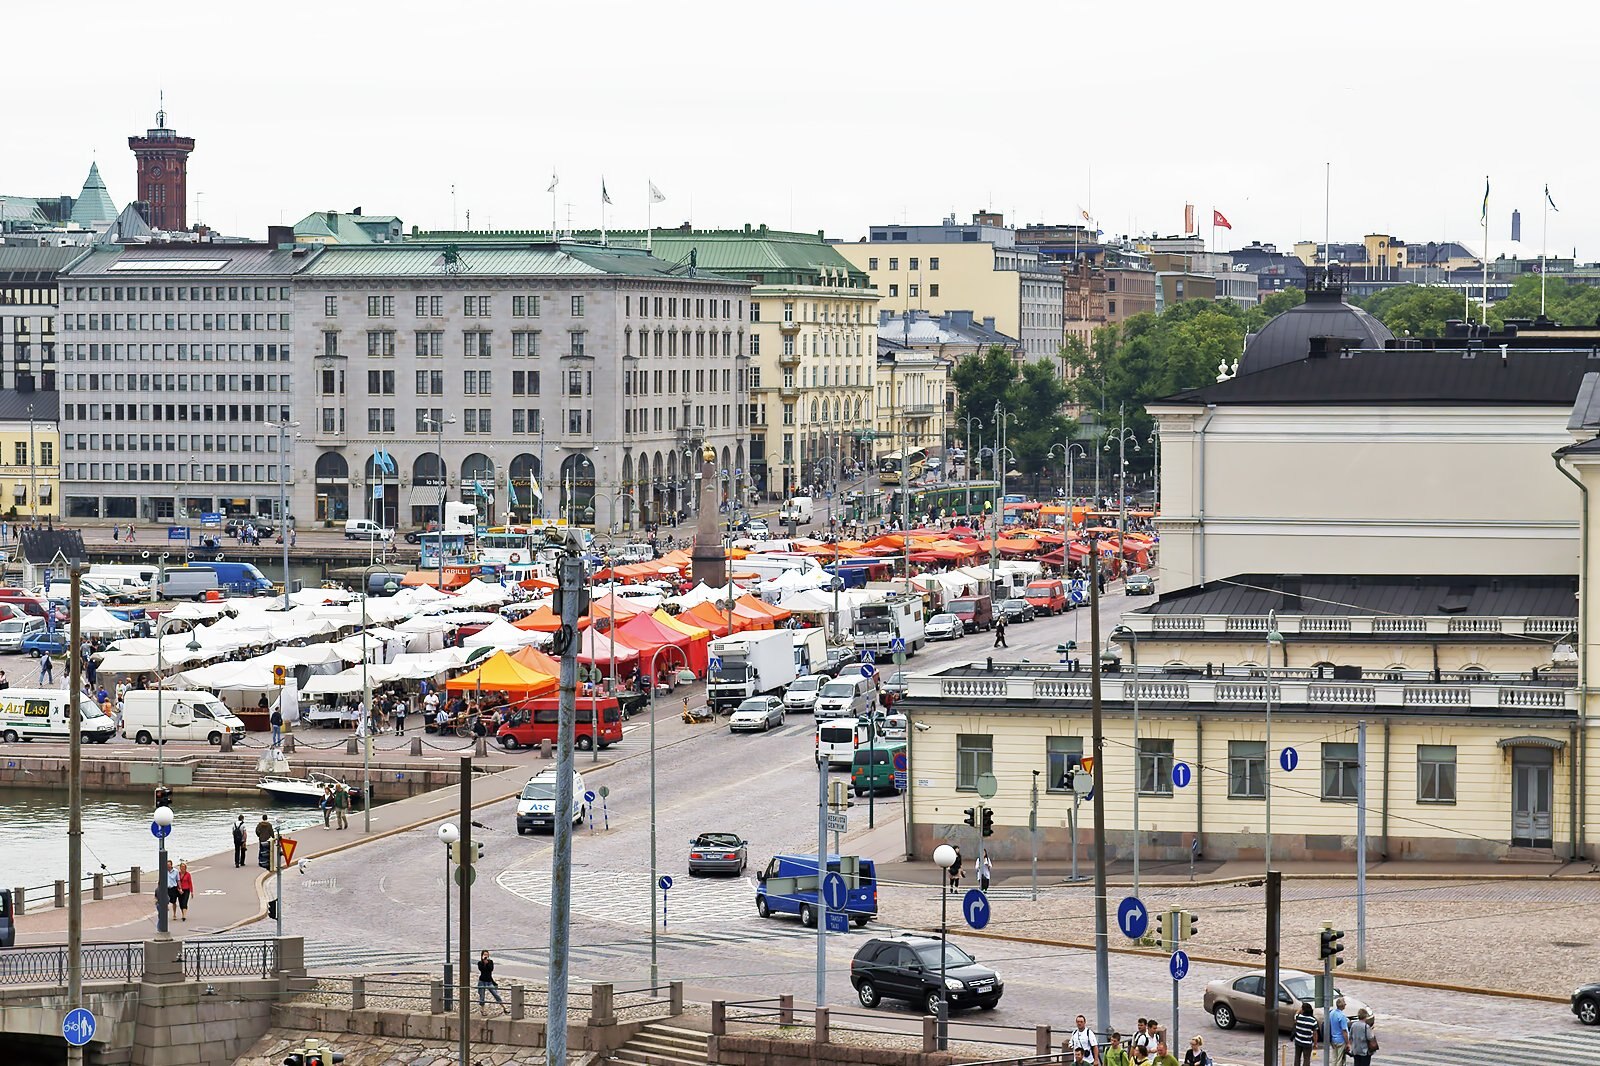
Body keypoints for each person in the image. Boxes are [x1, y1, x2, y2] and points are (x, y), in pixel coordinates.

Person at [477, 949, 506, 1014]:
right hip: (482, 981)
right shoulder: (480, 963)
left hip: (489, 981)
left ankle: (503, 1007)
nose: (486, 956)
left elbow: (490, 969)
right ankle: (482, 1010)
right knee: (482, 996)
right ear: (482, 955)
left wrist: (487, 963)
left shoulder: (490, 962)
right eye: (484, 955)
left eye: (487, 954)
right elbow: (482, 969)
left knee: (495, 994)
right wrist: (483, 963)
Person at [1292, 1000, 1318, 1066]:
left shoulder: (1298, 1017)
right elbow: (1315, 1033)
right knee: (1306, 1059)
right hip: (1307, 1043)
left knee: (1297, 1058)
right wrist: (1315, 1043)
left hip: (1298, 1041)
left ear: (1303, 1010)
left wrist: (1300, 1009)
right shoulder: (1313, 1020)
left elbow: (1296, 1014)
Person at [1327, 996, 1350, 1066]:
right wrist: (1347, 1043)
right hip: (1341, 1040)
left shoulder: (1331, 1013)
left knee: (1334, 1059)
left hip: (1333, 1039)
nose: (1345, 1005)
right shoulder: (1342, 1016)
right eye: (1345, 1003)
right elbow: (1344, 1031)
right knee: (1340, 1060)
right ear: (1343, 1006)